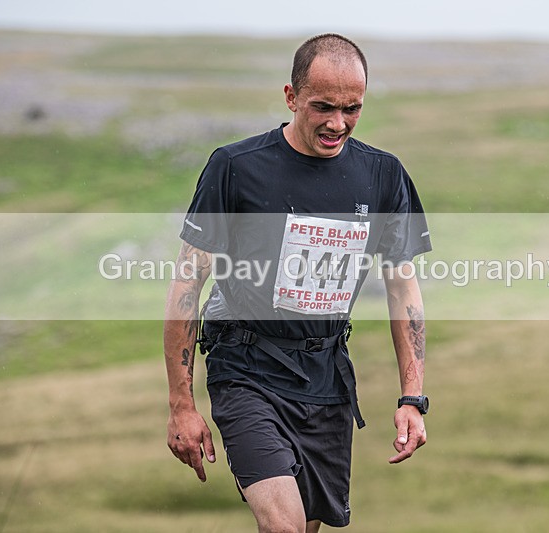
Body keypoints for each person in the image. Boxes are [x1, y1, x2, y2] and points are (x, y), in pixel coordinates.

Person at [164, 33, 431, 532]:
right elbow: (186, 285)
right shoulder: (236, 168)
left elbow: (404, 291)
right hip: (246, 369)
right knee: (283, 527)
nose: (337, 123)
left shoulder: (383, 176)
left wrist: (412, 398)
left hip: (326, 379)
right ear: (290, 97)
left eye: (352, 108)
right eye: (322, 107)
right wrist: (182, 404)